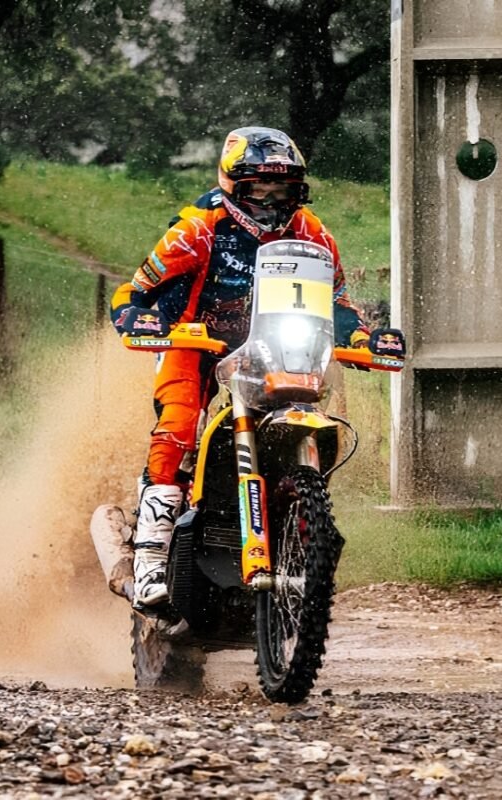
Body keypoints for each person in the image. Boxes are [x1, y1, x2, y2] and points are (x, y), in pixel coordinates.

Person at [110, 126, 370, 609]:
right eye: (259, 189)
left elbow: (337, 301)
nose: (271, 200)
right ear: (234, 186)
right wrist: (137, 318)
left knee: (314, 409)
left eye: (283, 190)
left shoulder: (311, 233)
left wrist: (360, 333)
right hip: (195, 342)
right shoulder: (196, 229)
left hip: (275, 347)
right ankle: (149, 560)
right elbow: (134, 290)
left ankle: (298, 527)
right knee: (178, 424)